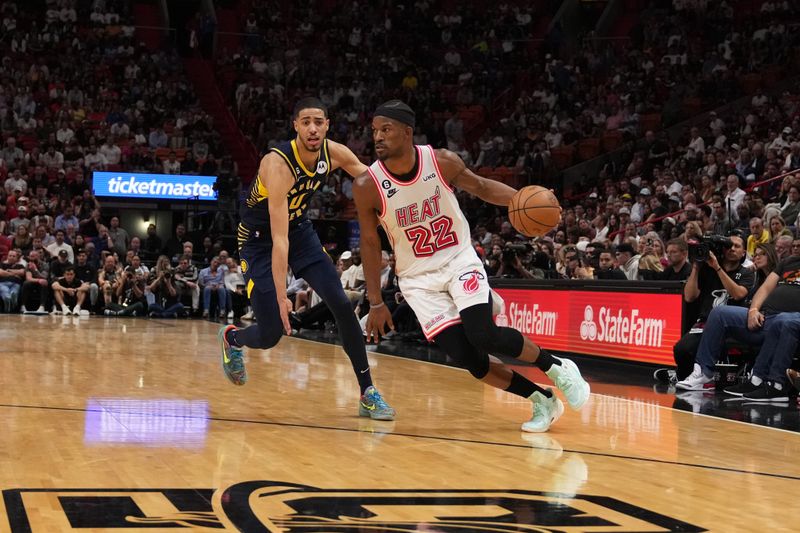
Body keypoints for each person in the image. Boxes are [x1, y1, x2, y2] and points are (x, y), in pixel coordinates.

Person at [354, 100, 589, 433]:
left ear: (407, 133)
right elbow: (369, 243)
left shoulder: (441, 162)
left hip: (457, 259)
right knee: (469, 359)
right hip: (417, 280)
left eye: (386, 129)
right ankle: (542, 399)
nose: (377, 137)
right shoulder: (367, 186)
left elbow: (480, 187)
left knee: (483, 334)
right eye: (374, 130)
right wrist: (376, 301)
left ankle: (558, 369)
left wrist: (526, 199)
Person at [217, 97, 395, 420]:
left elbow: (376, 185)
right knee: (271, 333)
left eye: (319, 122)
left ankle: (368, 391)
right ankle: (232, 338)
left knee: (341, 303)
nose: (313, 129)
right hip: (259, 240)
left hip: (299, 231)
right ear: (295, 126)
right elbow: (278, 239)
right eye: (306, 122)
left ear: (327, 125)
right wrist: (283, 295)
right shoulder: (277, 165)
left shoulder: (334, 152)